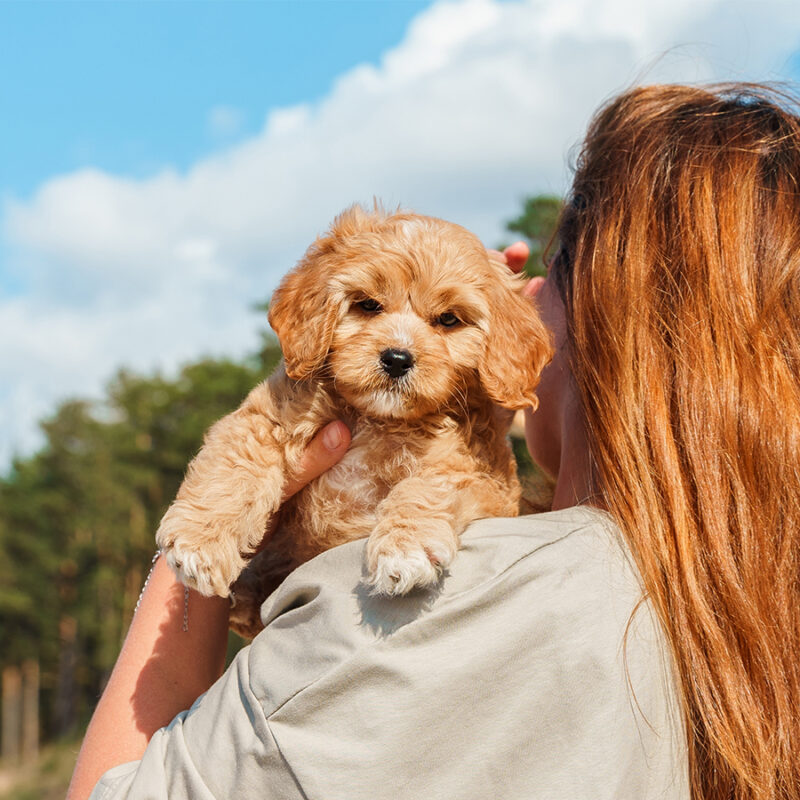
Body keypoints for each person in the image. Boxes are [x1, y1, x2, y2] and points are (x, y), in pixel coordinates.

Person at [68, 82, 800, 800]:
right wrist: (477, 418)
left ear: (587, 328)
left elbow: (117, 791)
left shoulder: (413, 603)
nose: (526, 293)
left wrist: (198, 550)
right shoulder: (747, 605)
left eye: (545, 278)